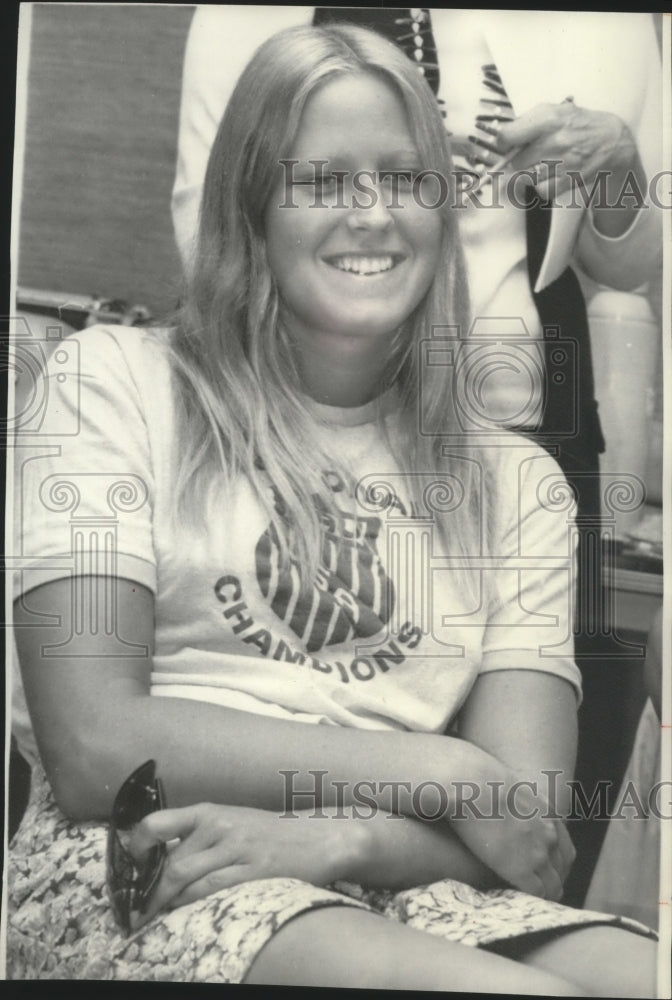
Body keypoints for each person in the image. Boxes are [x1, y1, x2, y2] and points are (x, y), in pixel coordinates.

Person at [10, 24, 658, 993]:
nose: (373, 215)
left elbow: (528, 837)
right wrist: (439, 770)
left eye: (407, 181)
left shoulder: (519, 484)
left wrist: (338, 837)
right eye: (322, 182)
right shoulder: (107, 384)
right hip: (147, 852)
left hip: (397, 865)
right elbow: (95, 746)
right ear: (251, 204)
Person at [170, 5, 664, 904]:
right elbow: (210, 223)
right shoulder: (244, 20)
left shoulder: (614, 24)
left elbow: (630, 263)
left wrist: (622, 171)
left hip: (528, 420)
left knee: (533, 807)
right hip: (304, 409)